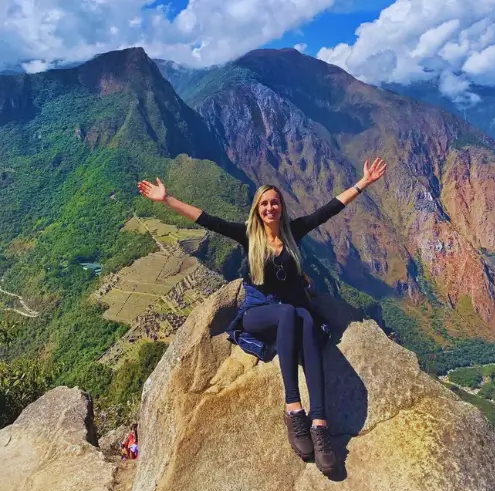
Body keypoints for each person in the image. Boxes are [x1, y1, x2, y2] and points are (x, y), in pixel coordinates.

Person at [137, 158, 387, 475]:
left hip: (296, 312)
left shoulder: (294, 232)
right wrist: (166, 199)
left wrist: (363, 183)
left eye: (275, 203)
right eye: (265, 204)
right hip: (259, 314)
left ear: (281, 207)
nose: (270, 208)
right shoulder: (248, 235)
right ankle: (294, 408)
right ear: (258, 209)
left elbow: (329, 209)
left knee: (307, 323)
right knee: (287, 314)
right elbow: (207, 220)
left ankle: (319, 423)